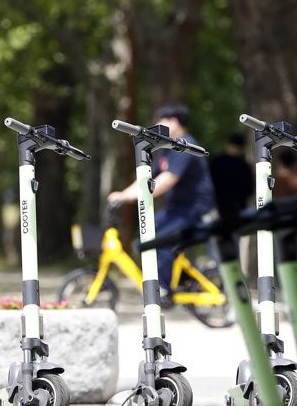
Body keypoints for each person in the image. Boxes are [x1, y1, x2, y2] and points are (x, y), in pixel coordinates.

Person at [108, 103, 216, 297]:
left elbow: (167, 180)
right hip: (177, 208)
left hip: (194, 208)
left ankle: (163, 288)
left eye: (160, 122)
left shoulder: (185, 145)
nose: (157, 125)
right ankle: (178, 277)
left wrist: (131, 196)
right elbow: (146, 178)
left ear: (173, 122)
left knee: (162, 239)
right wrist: (123, 195)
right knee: (147, 233)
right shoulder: (168, 149)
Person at [209, 132, 254, 220]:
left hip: (219, 205)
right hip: (237, 206)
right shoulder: (244, 166)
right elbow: (249, 189)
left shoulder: (217, 161)